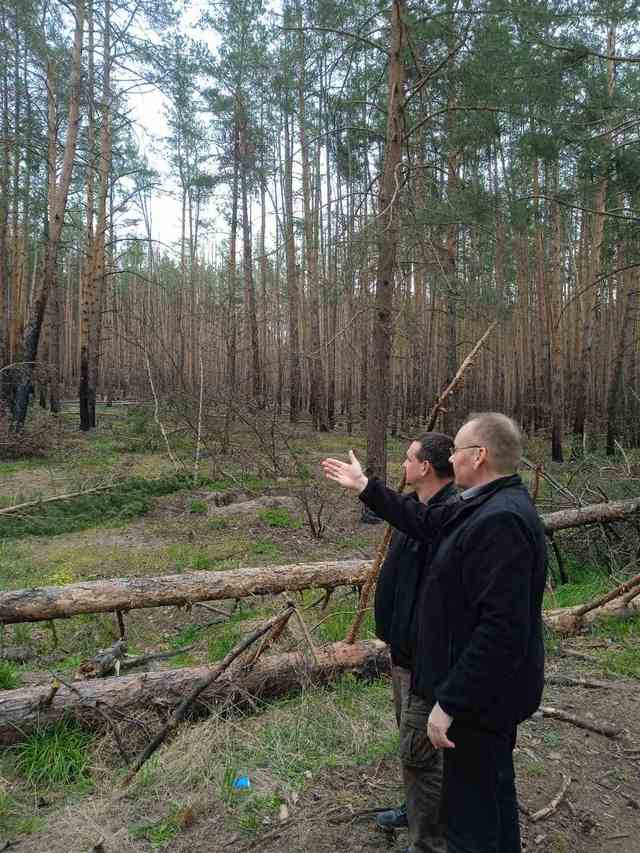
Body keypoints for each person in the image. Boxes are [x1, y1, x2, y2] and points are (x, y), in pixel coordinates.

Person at [322, 413, 546, 853]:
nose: (451, 458)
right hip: (480, 695)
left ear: (478, 456)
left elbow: (502, 630)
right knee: (490, 800)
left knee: (472, 819)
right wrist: (365, 486)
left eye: (457, 450)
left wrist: (450, 702)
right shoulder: (482, 504)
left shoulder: (501, 520)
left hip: (481, 703)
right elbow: (422, 521)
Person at [374, 433, 455, 853]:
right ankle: (416, 810)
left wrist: (365, 486)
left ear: (425, 467)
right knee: (411, 744)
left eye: (408, 458)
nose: (403, 465)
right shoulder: (417, 511)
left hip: (427, 660)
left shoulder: (445, 518)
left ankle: (430, 842)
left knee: (421, 751)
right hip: (403, 651)